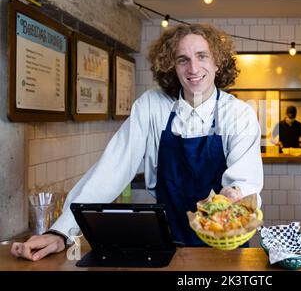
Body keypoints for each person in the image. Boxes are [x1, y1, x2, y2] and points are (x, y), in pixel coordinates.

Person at [11, 23, 263, 261]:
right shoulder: (152, 106)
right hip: (170, 247)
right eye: (182, 59)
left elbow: (244, 179)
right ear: (172, 66)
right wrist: (62, 232)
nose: (193, 69)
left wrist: (235, 195)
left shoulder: (238, 114)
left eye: (202, 56)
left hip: (227, 245)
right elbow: (112, 168)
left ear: (218, 62)